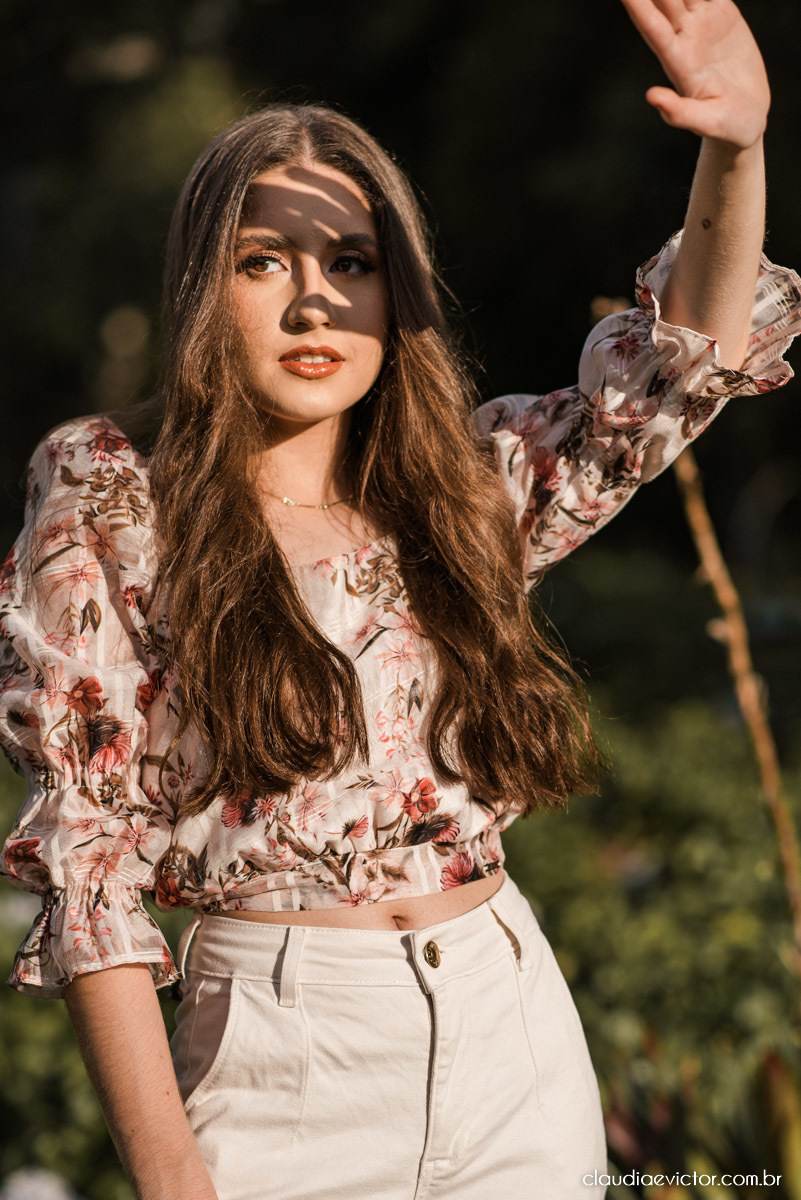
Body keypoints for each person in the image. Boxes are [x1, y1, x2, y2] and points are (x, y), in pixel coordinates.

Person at [1, 1, 799, 1197]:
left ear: (398, 292)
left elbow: (681, 367)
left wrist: (736, 147)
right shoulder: (113, 493)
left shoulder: (466, 491)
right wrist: (172, 1178)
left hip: (511, 1038)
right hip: (285, 1069)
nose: (313, 304)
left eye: (352, 264)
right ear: (201, 287)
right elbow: (91, 858)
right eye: (261, 262)